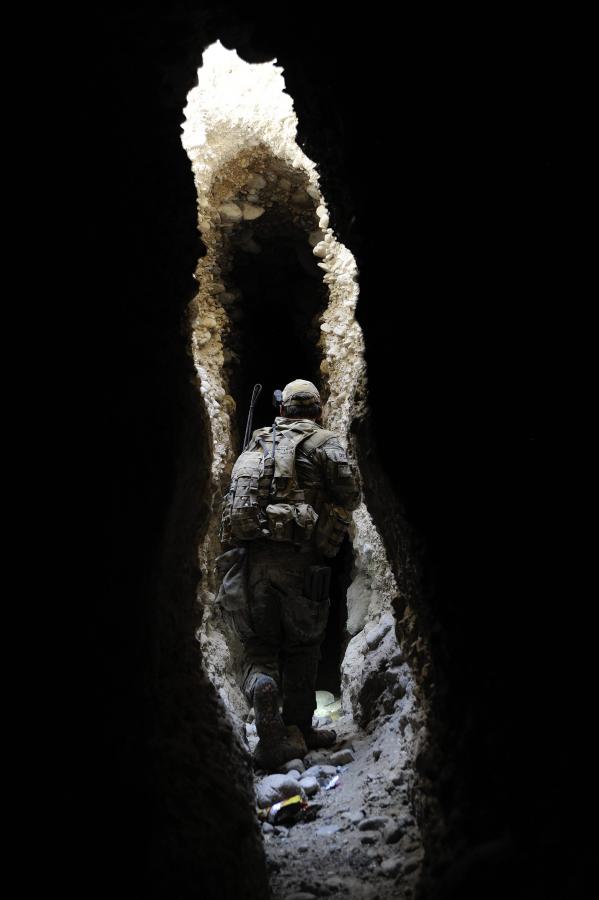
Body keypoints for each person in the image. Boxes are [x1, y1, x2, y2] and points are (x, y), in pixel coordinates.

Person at [216, 379, 361, 769]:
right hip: (302, 563)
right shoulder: (324, 441)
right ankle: (299, 727)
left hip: (252, 563)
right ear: (317, 411)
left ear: (283, 411)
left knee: (259, 648)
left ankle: (265, 704)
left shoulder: (256, 443)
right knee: (303, 645)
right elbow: (351, 495)